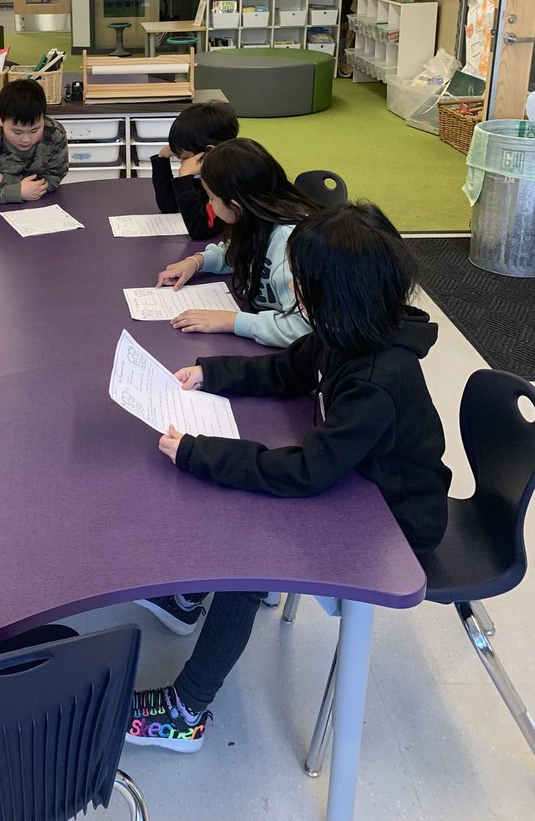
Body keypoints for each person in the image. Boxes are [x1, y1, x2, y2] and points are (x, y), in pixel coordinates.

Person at [127, 203, 452, 752]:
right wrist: (211, 373)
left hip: (395, 522)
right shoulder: (349, 328)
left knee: (254, 555)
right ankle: (190, 597)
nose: (291, 285)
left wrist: (199, 452)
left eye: (300, 279)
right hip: (360, 485)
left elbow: (306, 472)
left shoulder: (376, 379)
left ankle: (186, 712)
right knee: (248, 509)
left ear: (335, 292)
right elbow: (289, 369)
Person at [156, 138, 316, 348]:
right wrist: (198, 261)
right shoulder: (259, 219)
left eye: (211, 198)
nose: (210, 204)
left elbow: (303, 329)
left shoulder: (290, 249)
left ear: (235, 205)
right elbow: (236, 251)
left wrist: (231, 322)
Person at [0, 78, 69, 204]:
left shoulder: (55, 133)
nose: (26, 139)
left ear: (44, 117)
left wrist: (2, 179)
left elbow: (54, 178)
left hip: (40, 205)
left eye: (34, 130)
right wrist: (17, 192)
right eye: (17, 132)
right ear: (0, 119)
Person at [151, 101, 240, 240]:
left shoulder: (230, 183)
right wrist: (162, 159)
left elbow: (200, 230)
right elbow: (169, 205)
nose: (183, 164)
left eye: (186, 158)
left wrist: (184, 178)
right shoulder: (208, 173)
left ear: (209, 152)